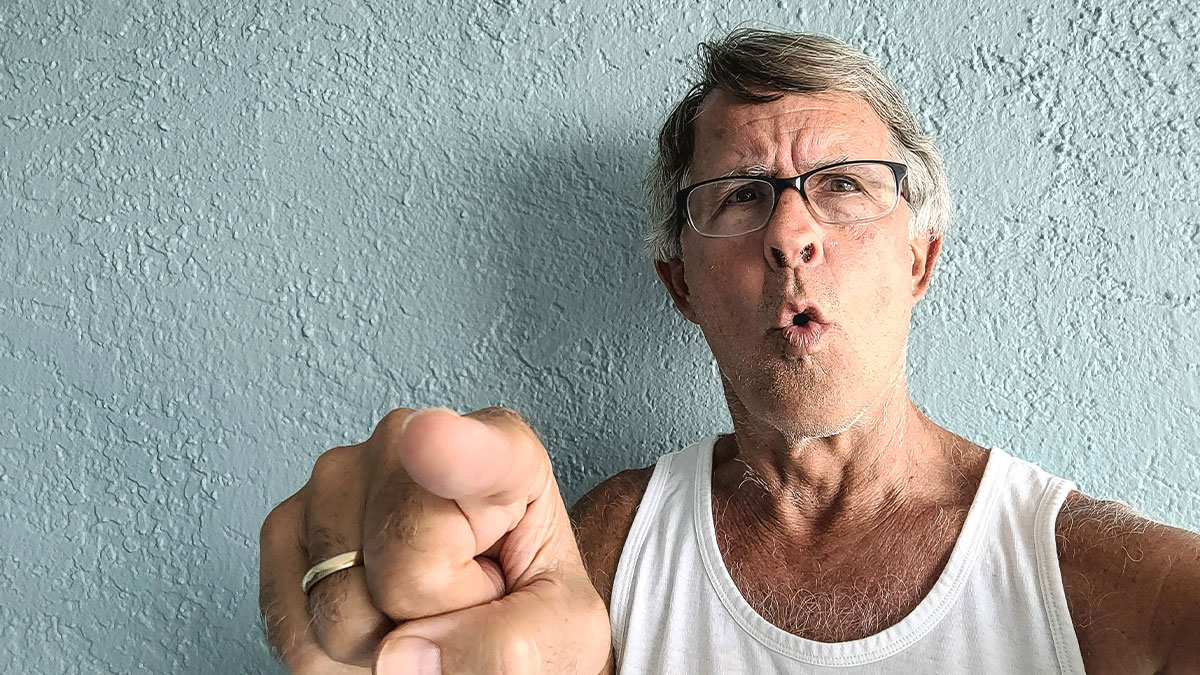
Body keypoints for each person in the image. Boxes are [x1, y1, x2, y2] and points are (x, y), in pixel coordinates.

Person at [258, 29, 1200, 674]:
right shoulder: (604, 555)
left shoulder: (1097, 581)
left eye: (841, 184)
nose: (791, 232)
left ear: (920, 257)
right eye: (741, 195)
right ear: (682, 287)